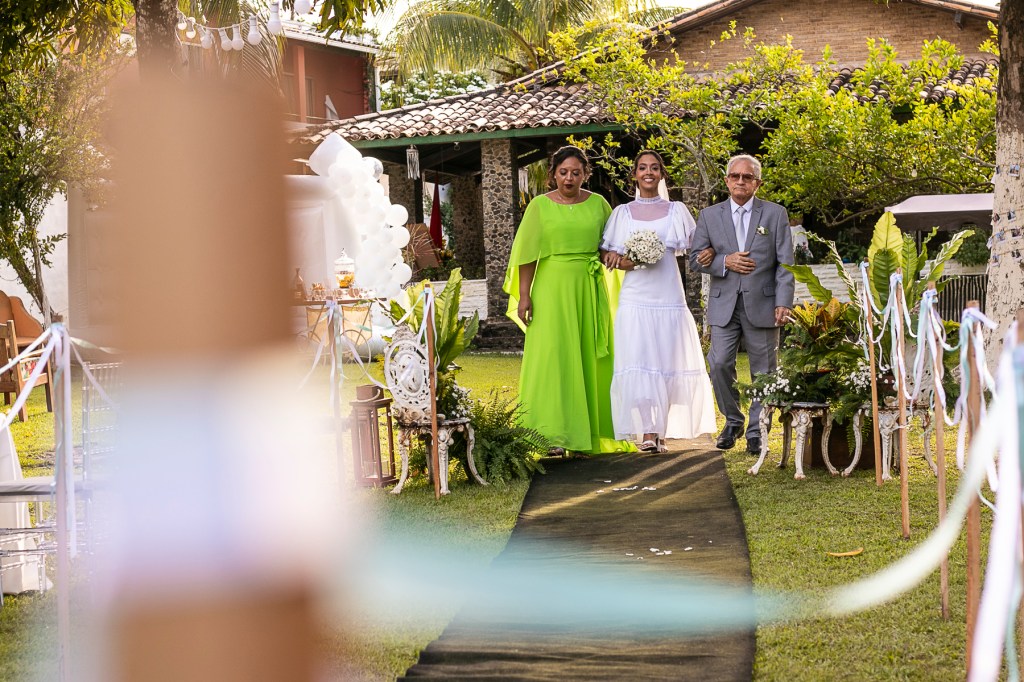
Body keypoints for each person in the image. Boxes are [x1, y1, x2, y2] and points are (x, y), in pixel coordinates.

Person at [503, 146, 634, 456]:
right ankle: (551, 435)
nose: (569, 178)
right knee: (553, 357)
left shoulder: (599, 204)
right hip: (551, 289)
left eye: (576, 172)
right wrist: (525, 295)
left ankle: (589, 434)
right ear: (553, 174)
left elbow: (609, 247)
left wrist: (627, 258)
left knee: (590, 356)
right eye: (563, 172)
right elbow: (527, 255)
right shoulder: (539, 206)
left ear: (585, 174)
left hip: (588, 288)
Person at [600, 151, 717, 452]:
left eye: (654, 168)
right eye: (642, 168)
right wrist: (620, 260)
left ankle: (661, 431)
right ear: (634, 175)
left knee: (667, 360)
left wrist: (711, 252)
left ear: (662, 174)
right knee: (639, 361)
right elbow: (607, 254)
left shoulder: (677, 211)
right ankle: (647, 432)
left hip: (668, 295)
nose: (648, 173)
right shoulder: (622, 213)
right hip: (635, 298)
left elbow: (698, 247)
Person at [688, 154, 794, 455]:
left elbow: (786, 263)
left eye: (747, 177)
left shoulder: (775, 214)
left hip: (764, 302)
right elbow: (696, 259)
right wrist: (724, 261)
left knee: (764, 371)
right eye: (735, 176)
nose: (740, 181)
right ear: (726, 181)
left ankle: (757, 431)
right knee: (719, 363)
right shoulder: (710, 216)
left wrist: (784, 302)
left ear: (757, 183)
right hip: (724, 303)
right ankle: (733, 420)